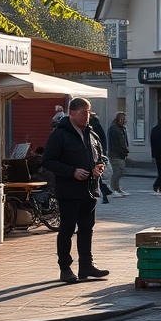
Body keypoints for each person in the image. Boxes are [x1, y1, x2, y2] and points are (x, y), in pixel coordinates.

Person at [41, 97, 110, 283]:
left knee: (87, 229)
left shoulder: (91, 134)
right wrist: (72, 172)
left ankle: (86, 266)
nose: (87, 117)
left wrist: (99, 166)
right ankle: (65, 268)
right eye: (83, 113)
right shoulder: (60, 134)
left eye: (88, 113)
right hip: (69, 192)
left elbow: (101, 156)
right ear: (72, 113)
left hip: (90, 190)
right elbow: (48, 161)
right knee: (67, 229)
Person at [88, 111, 113, 204]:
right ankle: (104, 191)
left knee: (95, 176)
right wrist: (103, 152)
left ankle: (103, 191)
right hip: (98, 154)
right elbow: (102, 139)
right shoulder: (97, 126)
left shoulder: (91, 128)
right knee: (98, 176)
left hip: (93, 155)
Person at [107, 111, 131, 196]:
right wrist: (123, 150)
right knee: (118, 171)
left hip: (120, 153)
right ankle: (113, 189)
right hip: (116, 154)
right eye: (124, 119)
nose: (126, 120)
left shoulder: (121, 128)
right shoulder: (115, 129)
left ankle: (117, 189)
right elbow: (116, 143)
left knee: (119, 171)